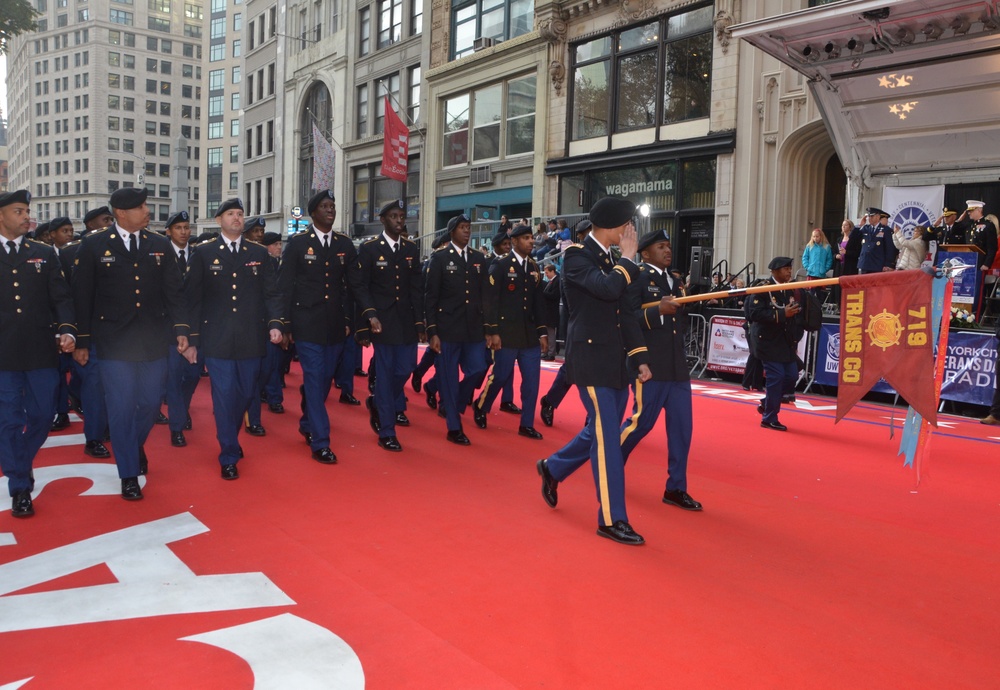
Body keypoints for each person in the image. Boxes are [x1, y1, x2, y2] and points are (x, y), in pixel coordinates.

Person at [535, 196, 651, 546]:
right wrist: (629, 259)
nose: (631, 231)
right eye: (628, 224)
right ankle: (612, 518)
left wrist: (639, 356)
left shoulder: (613, 261)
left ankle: (553, 468)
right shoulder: (576, 256)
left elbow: (626, 312)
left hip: (616, 362)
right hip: (589, 361)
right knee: (608, 441)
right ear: (614, 226)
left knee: (600, 431)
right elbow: (607, 288)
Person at [72, 187, 191, 500]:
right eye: (140, 207)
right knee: (122, 407)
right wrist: (82, 340)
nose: (147, 211)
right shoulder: (94, 245)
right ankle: (128, 472)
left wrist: (182, 329)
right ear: (121, 213)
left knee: (151, 405)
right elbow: (82, 297)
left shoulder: (159, 244)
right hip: (112, 343)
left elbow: (174, 292)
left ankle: (132, 445)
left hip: (153, 340)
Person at [184, 198, 284, 480]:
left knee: (247, 393)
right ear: (219, 220)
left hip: (252, 338)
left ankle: (231, 434)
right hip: (216, 339)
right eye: (231, 214)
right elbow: (192, 299)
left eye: (240, 214)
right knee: (225, 396)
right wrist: (191, 338)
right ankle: (228, 452)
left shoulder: (259, 253)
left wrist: (276, 323)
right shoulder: (204, 253)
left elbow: (272, 294)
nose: (237, 218)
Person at [0, 190, 77, 517]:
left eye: (27, 211)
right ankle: (20, 484)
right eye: (19, 211)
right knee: (8, 420)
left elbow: (60, 297)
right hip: (3, 354)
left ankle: (19, 461)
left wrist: (67, 329)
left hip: (41, 350)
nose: (26, 216)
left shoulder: (44, 253)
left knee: (44, 415)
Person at [619, 229, 701, 511]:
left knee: (682, 430)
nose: (668, 250)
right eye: (661, 247)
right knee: (640, 423)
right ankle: (609, 466)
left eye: (669, 246)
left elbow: (682, 320)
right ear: (645, 253)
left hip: (676, 367)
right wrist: (657, 312)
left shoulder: (676, 281)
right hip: (649, 366)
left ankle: (676, 488)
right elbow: (626, 318)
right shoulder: (637, 277)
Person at [277, 190, 357, 465]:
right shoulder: (299, 244)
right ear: (313, 213)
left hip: (335, 326)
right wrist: (285, 323)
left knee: (323, 381)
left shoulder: (345, 244)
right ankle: (320, 442)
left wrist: (351, 320)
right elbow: (285, 287)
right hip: (306, 324)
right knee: (314, 378)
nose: (330, 210)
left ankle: (307, 419)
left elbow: (351, 287)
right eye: (324, 206)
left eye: (333, 206)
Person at [350, 200, 425, 452]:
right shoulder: (370, 248)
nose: (399, 220)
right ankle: (386, 429)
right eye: (394, 216)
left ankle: (378, 402)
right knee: (385, 373)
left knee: (406, 368)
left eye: (402, 216)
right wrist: (367, 318)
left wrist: (420, 321)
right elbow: (361, 287)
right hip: (381, 321)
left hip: (405, 320)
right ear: (383, 219)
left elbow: (416, 287)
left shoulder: (411, 249)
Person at [474, 224, 548, 439]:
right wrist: (492, 331)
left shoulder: (534, 267)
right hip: (505, 333)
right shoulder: (501, 265)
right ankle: (482, 405)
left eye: (531, 238)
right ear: (514, 241)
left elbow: (538, 303)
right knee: (500, 376)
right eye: (526, 238)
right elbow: (490, 301)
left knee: (532, 382)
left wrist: (542, 332)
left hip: (529, 335)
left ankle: (526, 424)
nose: (531, 242)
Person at [424, 214, 490, 445]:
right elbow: (430, 297)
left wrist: (489, 328)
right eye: (462, 227)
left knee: (477, 368)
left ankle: (453, 402)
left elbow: (485, 295)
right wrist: (432, 331)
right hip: (447, 329)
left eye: (468, 227)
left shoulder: (478, 259)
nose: (466, 231)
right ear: (452, 232)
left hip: (473, 329)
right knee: (449, 379)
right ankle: (454, 427)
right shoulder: (440, 258)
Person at [746, 257, 802, 432]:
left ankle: (766, 402)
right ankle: (769, 418)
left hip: (785, 341)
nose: (789, 272)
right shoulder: (764, 288)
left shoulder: (789, 289)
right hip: (767, 341)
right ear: (774, 271)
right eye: (785, 269)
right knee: (776, 377)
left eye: (790, 269)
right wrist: (782, 314)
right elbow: (754, 313)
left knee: (792, 375)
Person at [163, 210, 201, 447]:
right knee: (174, 378)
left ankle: (181, 409)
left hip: (197, 328)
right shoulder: (159, 255)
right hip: (169, 329)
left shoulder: (199, 255)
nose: (184, 232)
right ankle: (176, 426)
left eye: (187, 227)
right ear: (168, 231)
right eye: (178, 228)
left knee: (194, 375)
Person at [857, 208, 896, 274]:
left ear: (878, 217)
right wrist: (859, 226)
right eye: (869, 216)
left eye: (872, 216)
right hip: (865, 264)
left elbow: (890, 249)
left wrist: (888, 264)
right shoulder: (865, 228)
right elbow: (853, 240)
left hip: (877, 264)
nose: (869, 218)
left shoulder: (886, 230)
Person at [541, 264, 560, 360]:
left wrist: (543, 293)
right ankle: (547, 351)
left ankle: (551, 353)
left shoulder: (557, 281)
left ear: (553, 271)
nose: (546, 274)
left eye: (547, 273)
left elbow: (554, 295)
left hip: (552, 312)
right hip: (547, 312)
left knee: (551, 334)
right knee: (547, 333)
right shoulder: (550, 282)